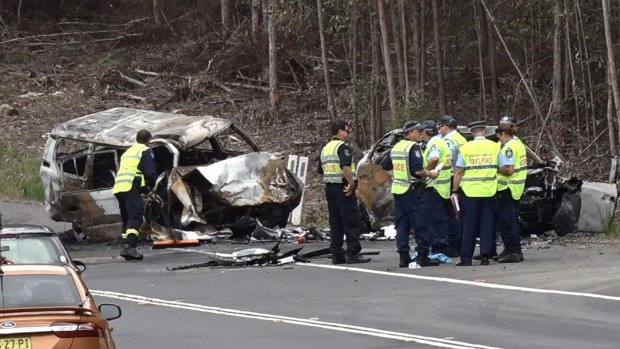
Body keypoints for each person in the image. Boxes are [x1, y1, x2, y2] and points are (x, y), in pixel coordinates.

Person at [381, 120, 440, 267]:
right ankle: (423, 256)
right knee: (420, 223)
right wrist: (430, 173)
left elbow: (384, 164)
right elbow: (418, 171)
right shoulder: (413, 147)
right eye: (418, 131)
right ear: (410, 133)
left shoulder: (396, 147)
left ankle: (403, 256)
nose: (420, 134)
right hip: (411, 189)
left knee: (402, 224)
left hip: (398, 189)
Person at [318, 120, 370, 264]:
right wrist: (352, 184)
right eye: (346, 131)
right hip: (344, 188)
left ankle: (337, 254)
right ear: (340, 131)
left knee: (335, 222)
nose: (347, 134)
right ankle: (353, 253)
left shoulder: (325, 148)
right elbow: (346, 167)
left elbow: (320, 170)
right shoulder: (342, 147)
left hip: (330, 188)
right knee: (351, 220)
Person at [452, 121, 500, 266]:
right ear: (485, 132)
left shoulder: (465, 148)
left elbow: (459, 171)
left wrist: (455, 190)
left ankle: (466, 258)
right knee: (487, 223)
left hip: (470, 191)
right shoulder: (495, 146)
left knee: (469, 225)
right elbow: (503, 167)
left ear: (472, 133)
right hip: (489, 190)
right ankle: (485, 256)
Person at [113, 129, 158, 261]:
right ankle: (129, 247)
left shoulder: (128, 152)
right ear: (148, 140)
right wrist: (152, 185)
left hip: (120, 187)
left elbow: (133, 171)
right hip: (130, 187)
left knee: (127, 218)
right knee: (136, 215)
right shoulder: (144, 151)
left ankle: (126, 246)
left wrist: (143, 187)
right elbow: (149, 172)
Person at [495, 116, 527, 263]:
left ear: (503, 133)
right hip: (516, 187)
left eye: (499, 135)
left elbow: (509, 170)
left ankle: (513, 251)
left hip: (508, 187)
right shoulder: (518, 143)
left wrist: (495, 169)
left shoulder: (508, 147)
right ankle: (510, 250)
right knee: (511, 220)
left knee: (508, 221)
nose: (498, 139)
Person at [418, 120, 451, 257]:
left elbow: (434, 158)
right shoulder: (440, 141)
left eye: (421, 131)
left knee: (434, 220)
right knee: (442, 219)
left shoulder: (434, 143)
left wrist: (426, 172)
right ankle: (442, 246)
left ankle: (439, 248)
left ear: (425, 132)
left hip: (434, 186)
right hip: (442, 186)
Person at [437, 115, 467, 257]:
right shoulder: (462, 139)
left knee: (450, 213)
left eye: (440, 127)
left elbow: (446, 159)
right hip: (463, 179)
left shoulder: (448, 141)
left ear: (445, 126)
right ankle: (461, 243)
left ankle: (453, 245)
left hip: (450, 178)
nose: (439, 130)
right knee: (458, 213)